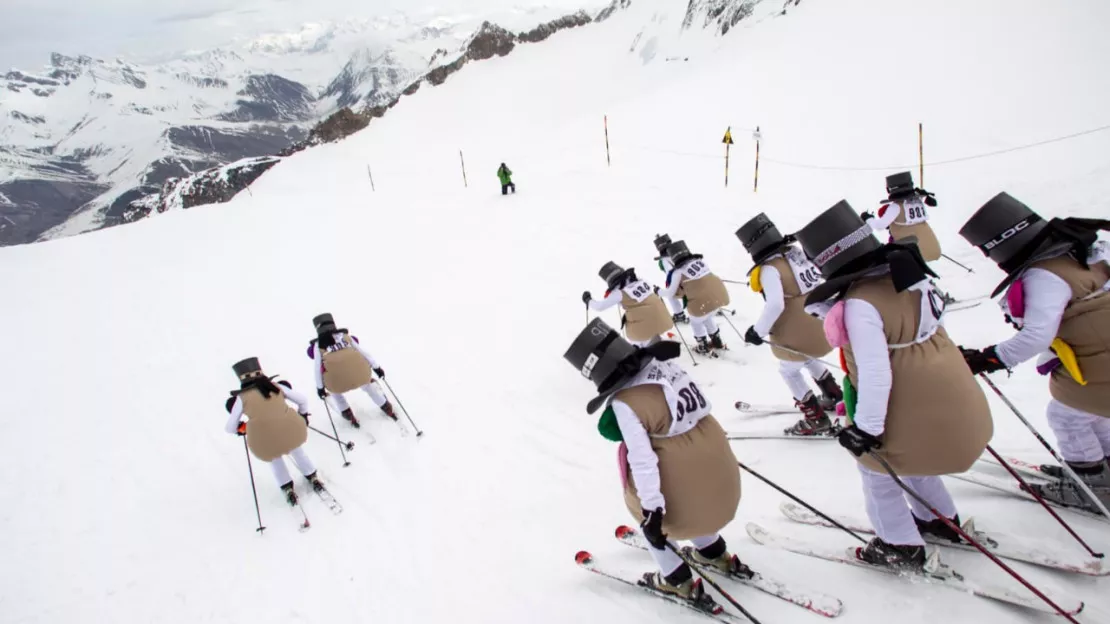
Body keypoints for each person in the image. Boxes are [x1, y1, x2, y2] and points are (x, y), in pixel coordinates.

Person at [797, 200, 992, 570]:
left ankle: (898, 542)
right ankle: (939, 517)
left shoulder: (860, 304)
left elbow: (875, 372)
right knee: (911, 451)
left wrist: (866, 431)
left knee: (876, 465)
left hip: (915, 399)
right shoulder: (911, 275)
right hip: (951, 393)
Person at [564, 318, 744, 608]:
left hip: (690, 488)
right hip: (723, 472)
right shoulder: (668, 367)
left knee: (643, 503)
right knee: (688, 484)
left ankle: (676, 579)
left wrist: (652, 515)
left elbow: (643, 461)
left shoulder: (625, 402)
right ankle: (712, 549)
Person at [958, 192, 1110, 512]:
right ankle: (1100, 468)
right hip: (1101, 355)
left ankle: (1093, 483)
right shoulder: (1083, 251)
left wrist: (989, 358)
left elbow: (1038, 336)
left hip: (1101, 361)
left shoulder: (1045, 275)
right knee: (1089, 410)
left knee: (1066, 415)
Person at [736, 213, 843, 435]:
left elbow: (775, 305)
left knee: (789, 370)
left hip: (796, 330)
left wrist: (758, 331)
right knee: (805, 356)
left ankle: (815, 418)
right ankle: (833, 393)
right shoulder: (796, 255)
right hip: (820, 324)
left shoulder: (769, 269)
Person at [225, 357, 323, 506]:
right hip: (292, 431)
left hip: (265, 440)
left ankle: (287, 487)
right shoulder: (275, 386)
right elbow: (302, 400)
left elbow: (230, 427)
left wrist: (242, 427)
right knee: (297, 450)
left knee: (273, 457)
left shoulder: (241, 398)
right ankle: (312, 476)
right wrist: (302, 415)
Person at [307, 313, 400, 431]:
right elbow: (364, 352)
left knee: (335, 392)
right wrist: (377, 368)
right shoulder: (345, 336)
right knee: (367, 385)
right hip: (361, 376)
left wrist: (320, 388)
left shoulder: (317, 346)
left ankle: (348, 414)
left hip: (337, 384)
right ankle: (386, 407)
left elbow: (317, 369)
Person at [658, 241, 730, 354]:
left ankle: (702, 345)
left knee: (696, 321)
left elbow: (670, 293)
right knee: (707, 315)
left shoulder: (678, 272)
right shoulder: (700, 262)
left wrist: (658, 291)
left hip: (701, 305)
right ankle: (716, 340)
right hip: (719, 298)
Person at [583, 262, 674, 347]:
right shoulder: (640, 280)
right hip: (665, 320)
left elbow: (600, 307)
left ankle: (643, 349)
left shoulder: (619, 293)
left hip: (645, 329)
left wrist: (588, 300)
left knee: (635, 340)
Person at [860, 172, 941, 263]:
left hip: (913, 255)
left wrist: (868, 218)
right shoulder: (917, 201)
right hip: (933, 249)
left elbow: (880, 226)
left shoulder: (896, 207)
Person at [652, 234, 688, 324]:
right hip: (691, 277)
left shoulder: (664, 260)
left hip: (682, 282)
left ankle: (679, 314)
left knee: (670, 294)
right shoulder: (679, 251)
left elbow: (671, 273)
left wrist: (659, 291)